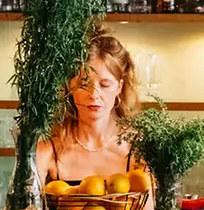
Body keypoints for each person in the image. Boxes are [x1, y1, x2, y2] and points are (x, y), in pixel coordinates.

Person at [35, 32, 144, 182]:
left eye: (105, 84)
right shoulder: (48, 150)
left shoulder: (137, 150)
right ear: (69, 86)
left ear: (119, 87)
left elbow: (150, 205)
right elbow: (22, 205)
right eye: (84, 84)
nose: (94, 94)